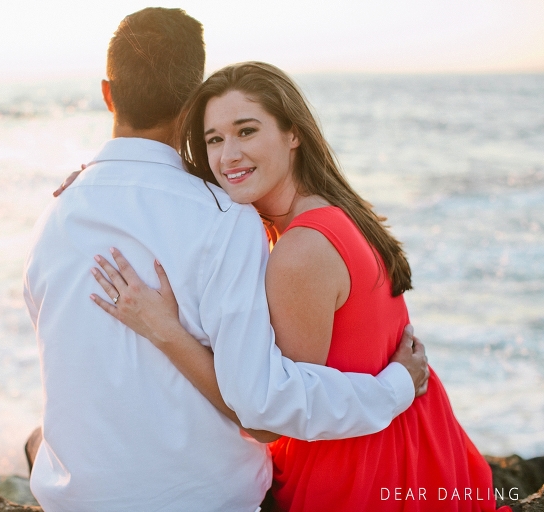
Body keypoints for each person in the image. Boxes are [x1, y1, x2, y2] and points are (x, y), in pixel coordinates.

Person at [23, 8, 428, 511]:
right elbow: (261, 405)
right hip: (208, 499)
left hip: (79, 499)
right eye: (219, 137)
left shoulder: (54, 218)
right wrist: (394, 388)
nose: (228, 152)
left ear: (108, 93)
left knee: (38, 441)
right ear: (196, 105)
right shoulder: (224, 217)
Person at [88, 62, 499, 511]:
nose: (228, 156)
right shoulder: (331, 214)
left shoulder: (299, 251)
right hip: (414, 444)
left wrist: (163, 329)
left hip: (352, 473)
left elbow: (268, 419)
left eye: (246, 131)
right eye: (214, 139)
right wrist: (98, 183)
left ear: (293, 134)